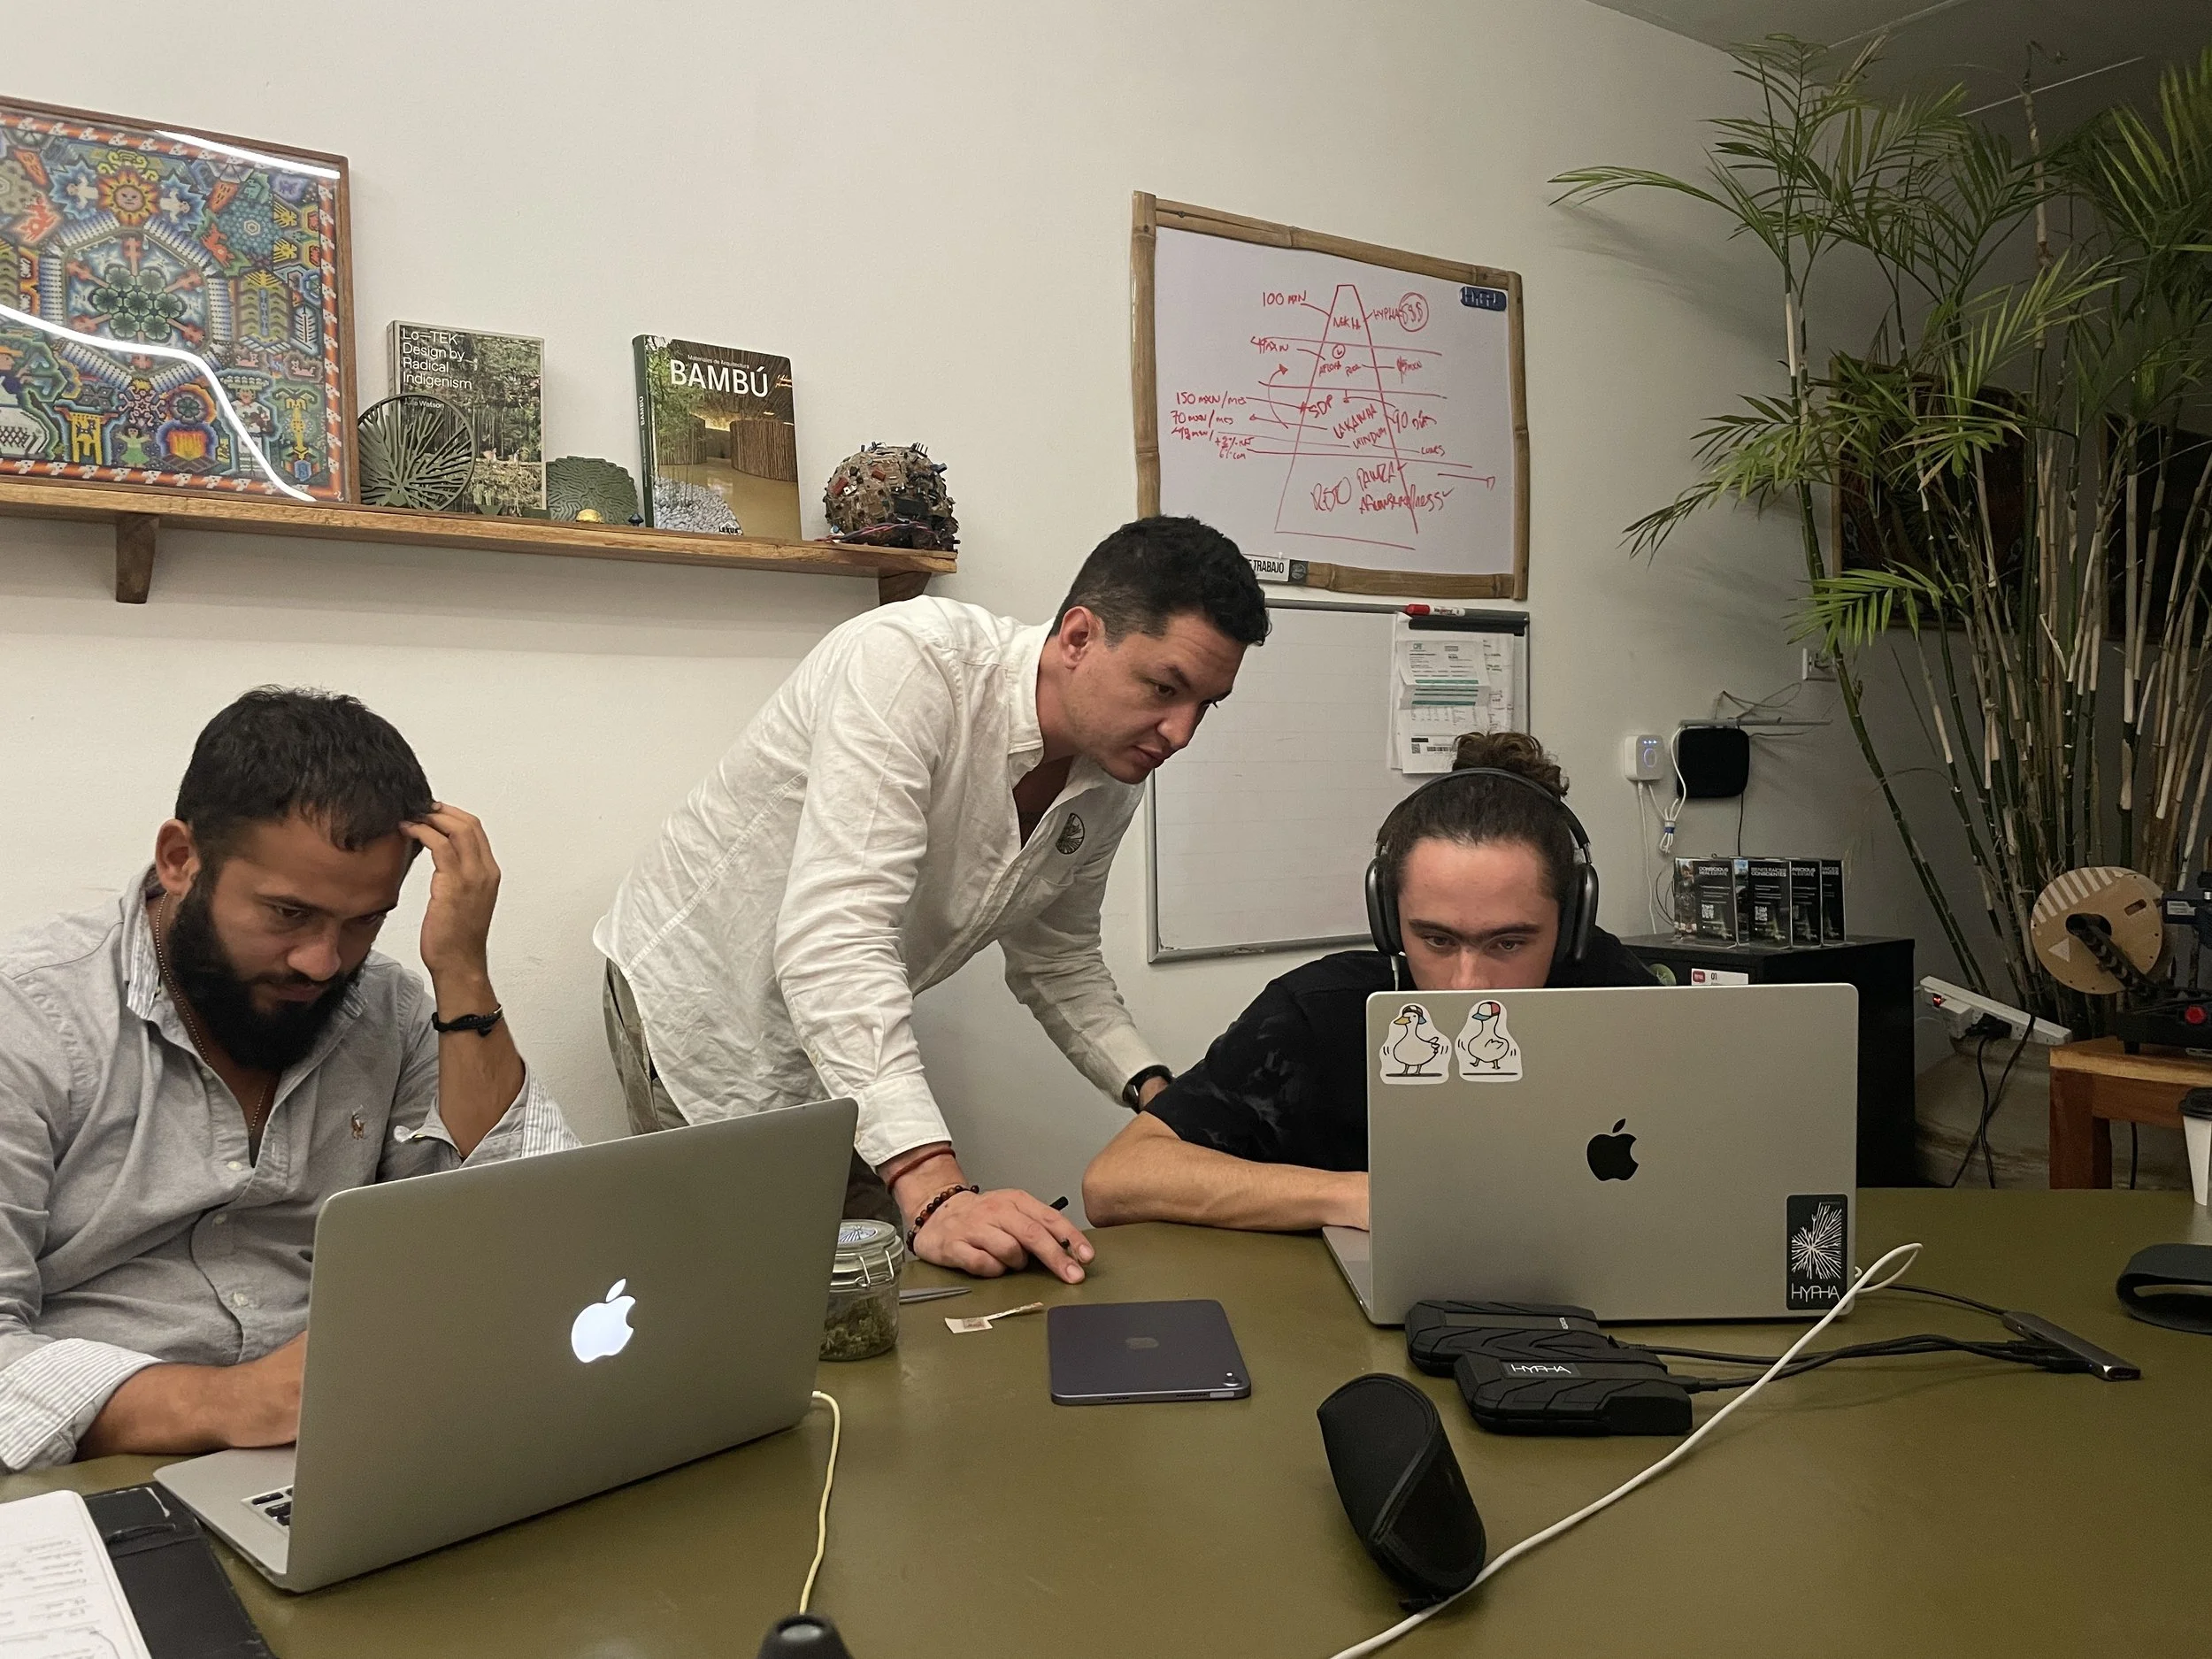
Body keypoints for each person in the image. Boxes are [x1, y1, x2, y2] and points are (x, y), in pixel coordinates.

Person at [596, 517, 1268, 1284]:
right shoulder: (912, 662)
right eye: (1165, 687)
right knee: (751, 1295)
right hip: (702, 1004)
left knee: (880, 1289)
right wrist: (935, 1187)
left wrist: (1164, 1101)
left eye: (1206, 705)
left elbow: (1058, 958)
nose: (1180, 733)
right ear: (1079, 637)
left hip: (840, 1028)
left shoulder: (1112, 773)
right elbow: (835, 941)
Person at [0, 689, 575, 1471]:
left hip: (351, 1444)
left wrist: (463, 970)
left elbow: (530, 1230)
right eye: (287, 913)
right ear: (180, 859)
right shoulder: (28, 1020)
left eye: (366, 919)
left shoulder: (392, 1004)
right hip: (100, 1466)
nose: (323, 961)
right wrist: (234, 1401)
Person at [1081, 732, 1655, 1234]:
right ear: (1388, 920)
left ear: (1572, 921)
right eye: (1436, 939)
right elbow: (1117, 1179)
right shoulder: (1319, 1012)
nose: (1467, 985)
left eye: (1508, 943)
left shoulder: (1628, 1002)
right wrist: (1355, 1196)